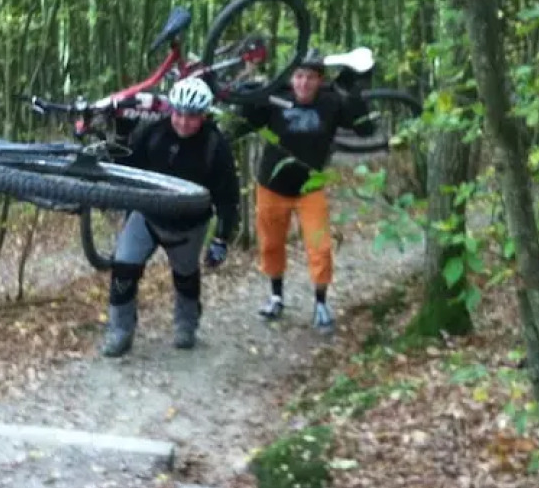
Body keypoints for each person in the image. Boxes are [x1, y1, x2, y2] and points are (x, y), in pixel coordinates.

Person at [101, 76, 241, 358]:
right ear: (170, 110)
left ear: (203, 116)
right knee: (123, 270)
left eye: (191, 117)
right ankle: (120, 331)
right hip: (147, 215)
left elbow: (228, 197)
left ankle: (186, 323)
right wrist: (121, 135)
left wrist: (222, 239)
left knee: (185, 276)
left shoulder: (215, 145)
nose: (183, 122)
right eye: (178, 113)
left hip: (188, 224)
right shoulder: (155, 131)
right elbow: (126, 167)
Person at [236, 49, 372, 333]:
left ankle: (321, 303)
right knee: (271, 245)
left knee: (320, 248)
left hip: (310, 188)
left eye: (311, 77)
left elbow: (364, 129)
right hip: (272, 185)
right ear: (291, 78)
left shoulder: (331, 102)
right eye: (298, 76)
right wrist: (246, 90)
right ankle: (276, 297)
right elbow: (245, 123)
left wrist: (355, 94)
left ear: (320, 80)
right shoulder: (276, 98)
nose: (303, 83)